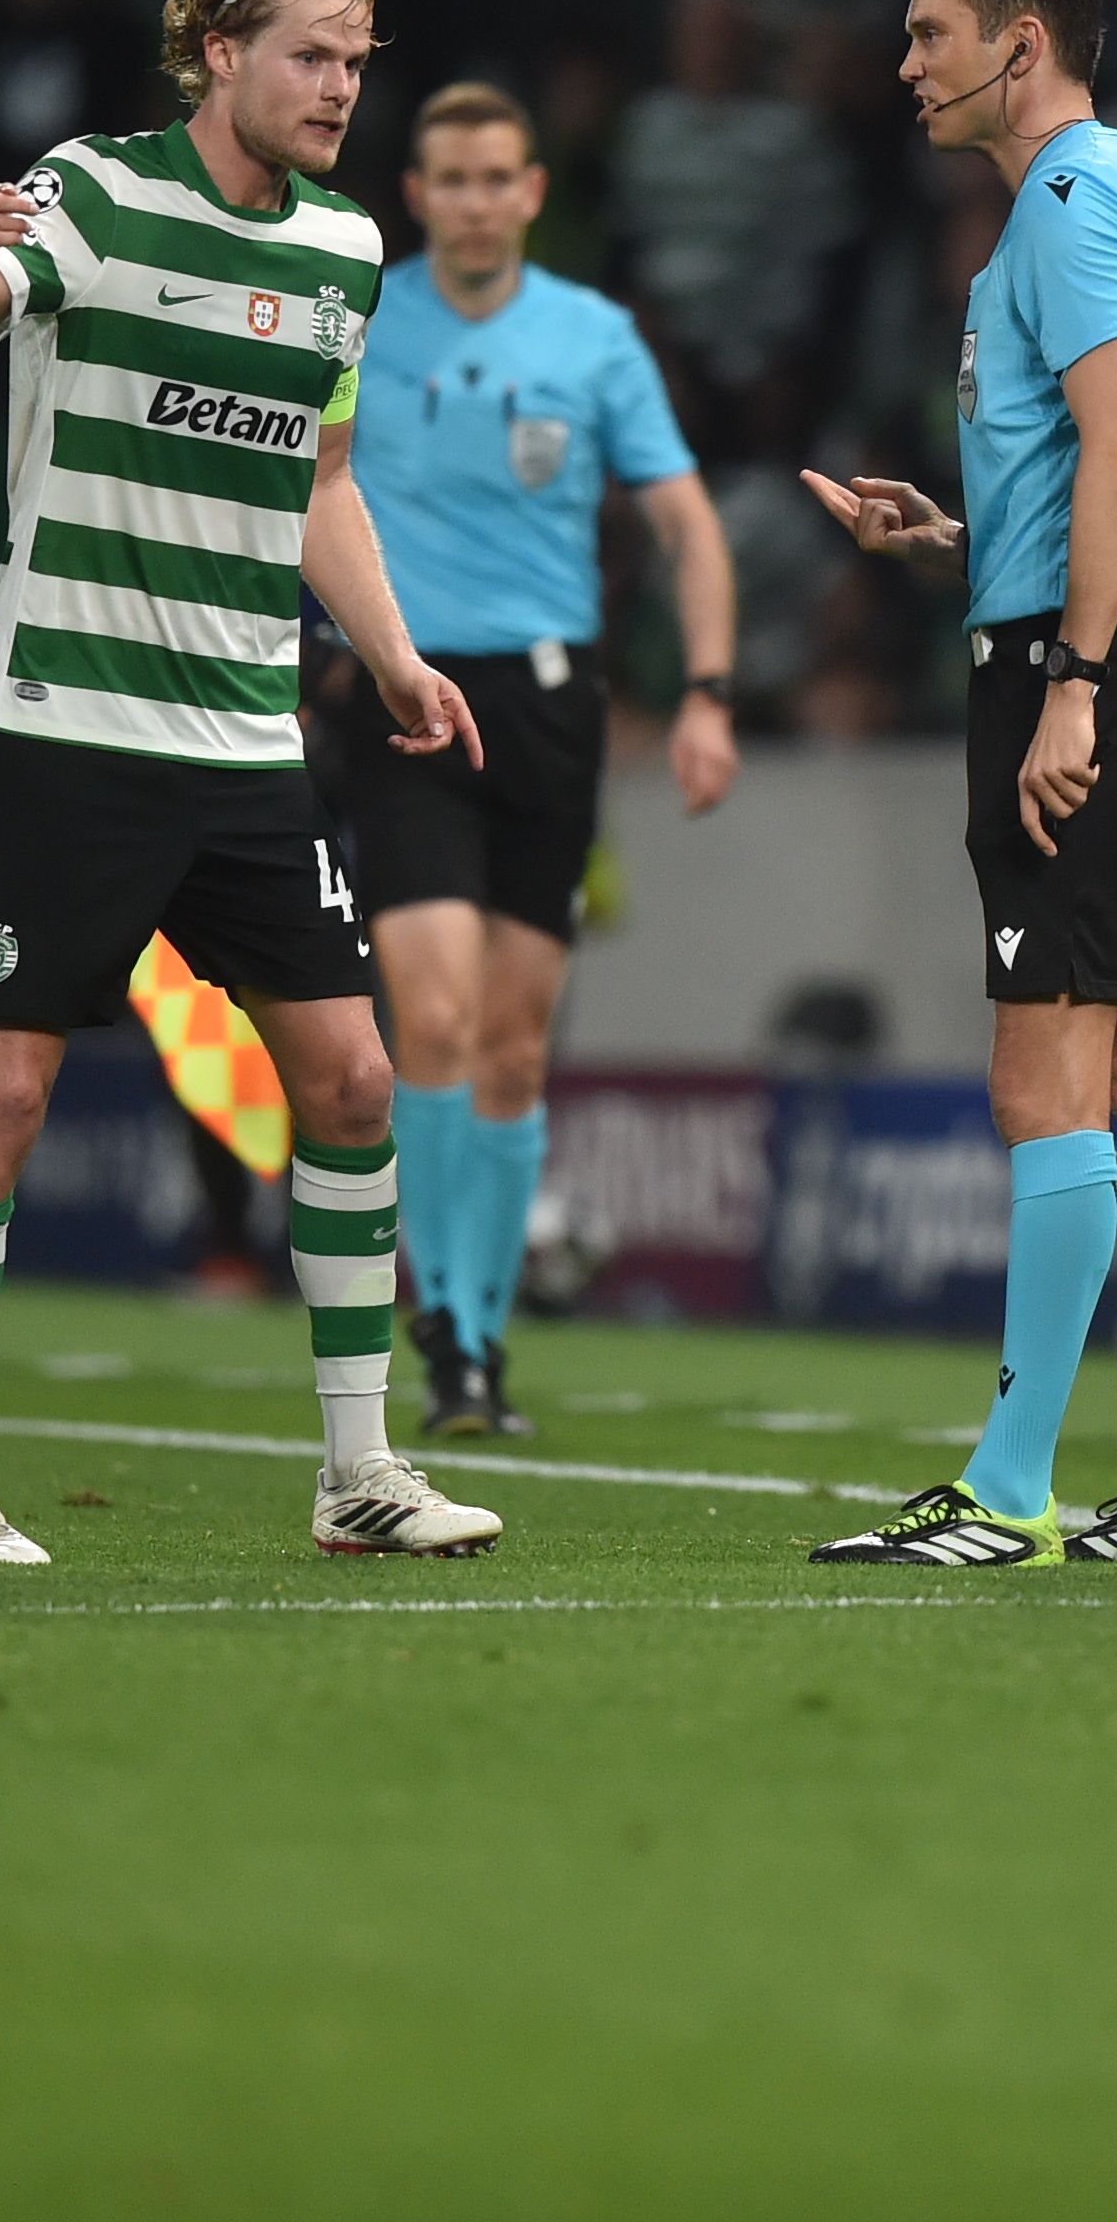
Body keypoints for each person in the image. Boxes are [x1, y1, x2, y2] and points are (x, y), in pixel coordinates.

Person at [0, 0, 500, 1569]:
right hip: (66, 723)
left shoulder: (346, 250)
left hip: (242, 740)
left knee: (352, 1081)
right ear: (218, 53)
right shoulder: (95, 191)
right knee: (4, 1100)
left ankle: (359, 1474)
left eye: (356, 61)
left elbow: (320, 482)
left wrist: (393, 660)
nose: (339, 87)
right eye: (309, 55)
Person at [797, 0, 1117, 1568]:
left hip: (1085, 679)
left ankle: (1007, 1490)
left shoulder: (1063, 203)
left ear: (1020, 45)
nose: (905, 64)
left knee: (1044, 1078)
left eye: (930, 34)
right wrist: (962, 537)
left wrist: (1070, 684)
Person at [344, 79, 741, 1436]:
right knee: (436, 1020)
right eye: (448, 180)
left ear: (531, 192)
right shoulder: (360, 317)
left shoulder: (593, 337)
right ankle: (443, 1327)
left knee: (513, 1049)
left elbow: (686, 521)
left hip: (550, 710)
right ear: (417, 195)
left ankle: (481, 1332)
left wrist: (706, 693)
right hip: (405, 697)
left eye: (494, 178)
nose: (472, 202)